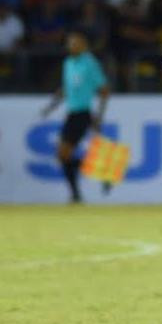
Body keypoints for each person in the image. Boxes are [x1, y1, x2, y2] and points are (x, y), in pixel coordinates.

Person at [40, 32, 109, 203]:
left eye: (75, 43)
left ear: (84, 45)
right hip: (72, 113)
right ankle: (87, 183)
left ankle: (78, 192)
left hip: (83, 113)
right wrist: (51, 106)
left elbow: (104, 90)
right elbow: (66, 88)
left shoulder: (89, 63)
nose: (71, 46)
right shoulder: (68, 63)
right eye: (69, 43)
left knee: (63, 154)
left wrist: (98, 117)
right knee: (63, 156)